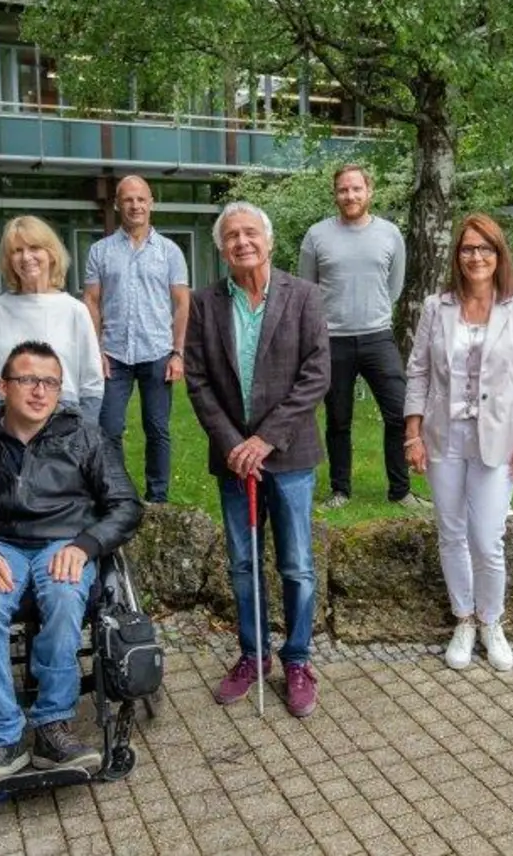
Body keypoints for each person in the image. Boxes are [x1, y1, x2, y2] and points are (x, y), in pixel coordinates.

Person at [0, 341, 143, 790]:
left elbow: (125, 506)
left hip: (63, 543)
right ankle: (1, 737)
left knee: (66, 596)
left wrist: (86, 545)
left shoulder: (84, 437)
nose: (39, 392)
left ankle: (53, 727)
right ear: (2, 386)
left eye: (49, 382)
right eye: (27, 380)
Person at [184, 202, 330, 718]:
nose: (242, 242)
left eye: (251, 233)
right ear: (222, 248)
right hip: (233, 461)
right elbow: (197, 380)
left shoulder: (305, 296)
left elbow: (316, 374)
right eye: (232, 236)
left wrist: (265, 439)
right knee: (244, 564)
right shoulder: (204, 304)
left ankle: (296, 660)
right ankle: (253, 654)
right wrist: (232, 444)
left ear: (268, 241)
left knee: (296, 565)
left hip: (289, 456)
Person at [403, 214, 513, 672]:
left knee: (487, 538)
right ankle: (463, 618)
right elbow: (418, 371)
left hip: (498, 439)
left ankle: (492, 621)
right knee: (451, 532)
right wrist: (412, 434)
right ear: (457, 256)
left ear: (499, 254)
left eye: (485, 248)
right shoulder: (436, 306)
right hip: (444, 437)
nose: (476, 257)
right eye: (468, 249)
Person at [297, 164, 428, 510]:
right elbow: (307, 290)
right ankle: (340, 490)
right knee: (338, 418)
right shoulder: (316, 235)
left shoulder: (390, 234)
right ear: (335, 194)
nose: (350, 196)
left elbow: (394, 286)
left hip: (377, 337)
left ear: (369, 191)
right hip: (332, 340)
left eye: (356, 189)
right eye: (343, 190)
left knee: (399, 412)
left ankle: (400, 491)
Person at [83, 176, 190, 503]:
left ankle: (157, 498)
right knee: (109, 430)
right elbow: (90, 301)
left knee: (157, 430)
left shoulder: (170, 252)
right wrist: (94, 350)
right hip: (114, 353)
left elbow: (183, 302)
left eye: (141, 199)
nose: (135, 205)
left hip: (157, 352)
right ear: (117, 205)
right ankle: (117, 495)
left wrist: (178, 353)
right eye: (128, 200)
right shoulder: (99, 251)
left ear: (151, 203)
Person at [0, 216, 104, 426]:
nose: (26, 257)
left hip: (62, 422)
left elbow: (92, 382)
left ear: (51, 254)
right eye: (17, 251)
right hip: (2, 424)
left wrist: (81, 431)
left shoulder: (75, 311)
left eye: (34, 248)